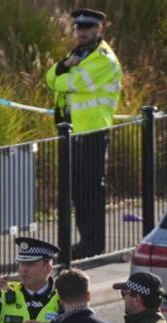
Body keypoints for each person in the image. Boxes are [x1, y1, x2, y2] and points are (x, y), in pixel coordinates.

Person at [45, 8, 123, 259]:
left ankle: (93, 244)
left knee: (91, 190)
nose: (82, 32)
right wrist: (64, 65)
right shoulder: (77, 54)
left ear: (99, 29)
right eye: (79, 28)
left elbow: (67, 83)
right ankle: (84, 242)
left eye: (88, 28)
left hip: (93, 131)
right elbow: (49, 77)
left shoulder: (103, 59)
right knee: (78, 190)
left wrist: (63, 72)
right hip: (74, 131)